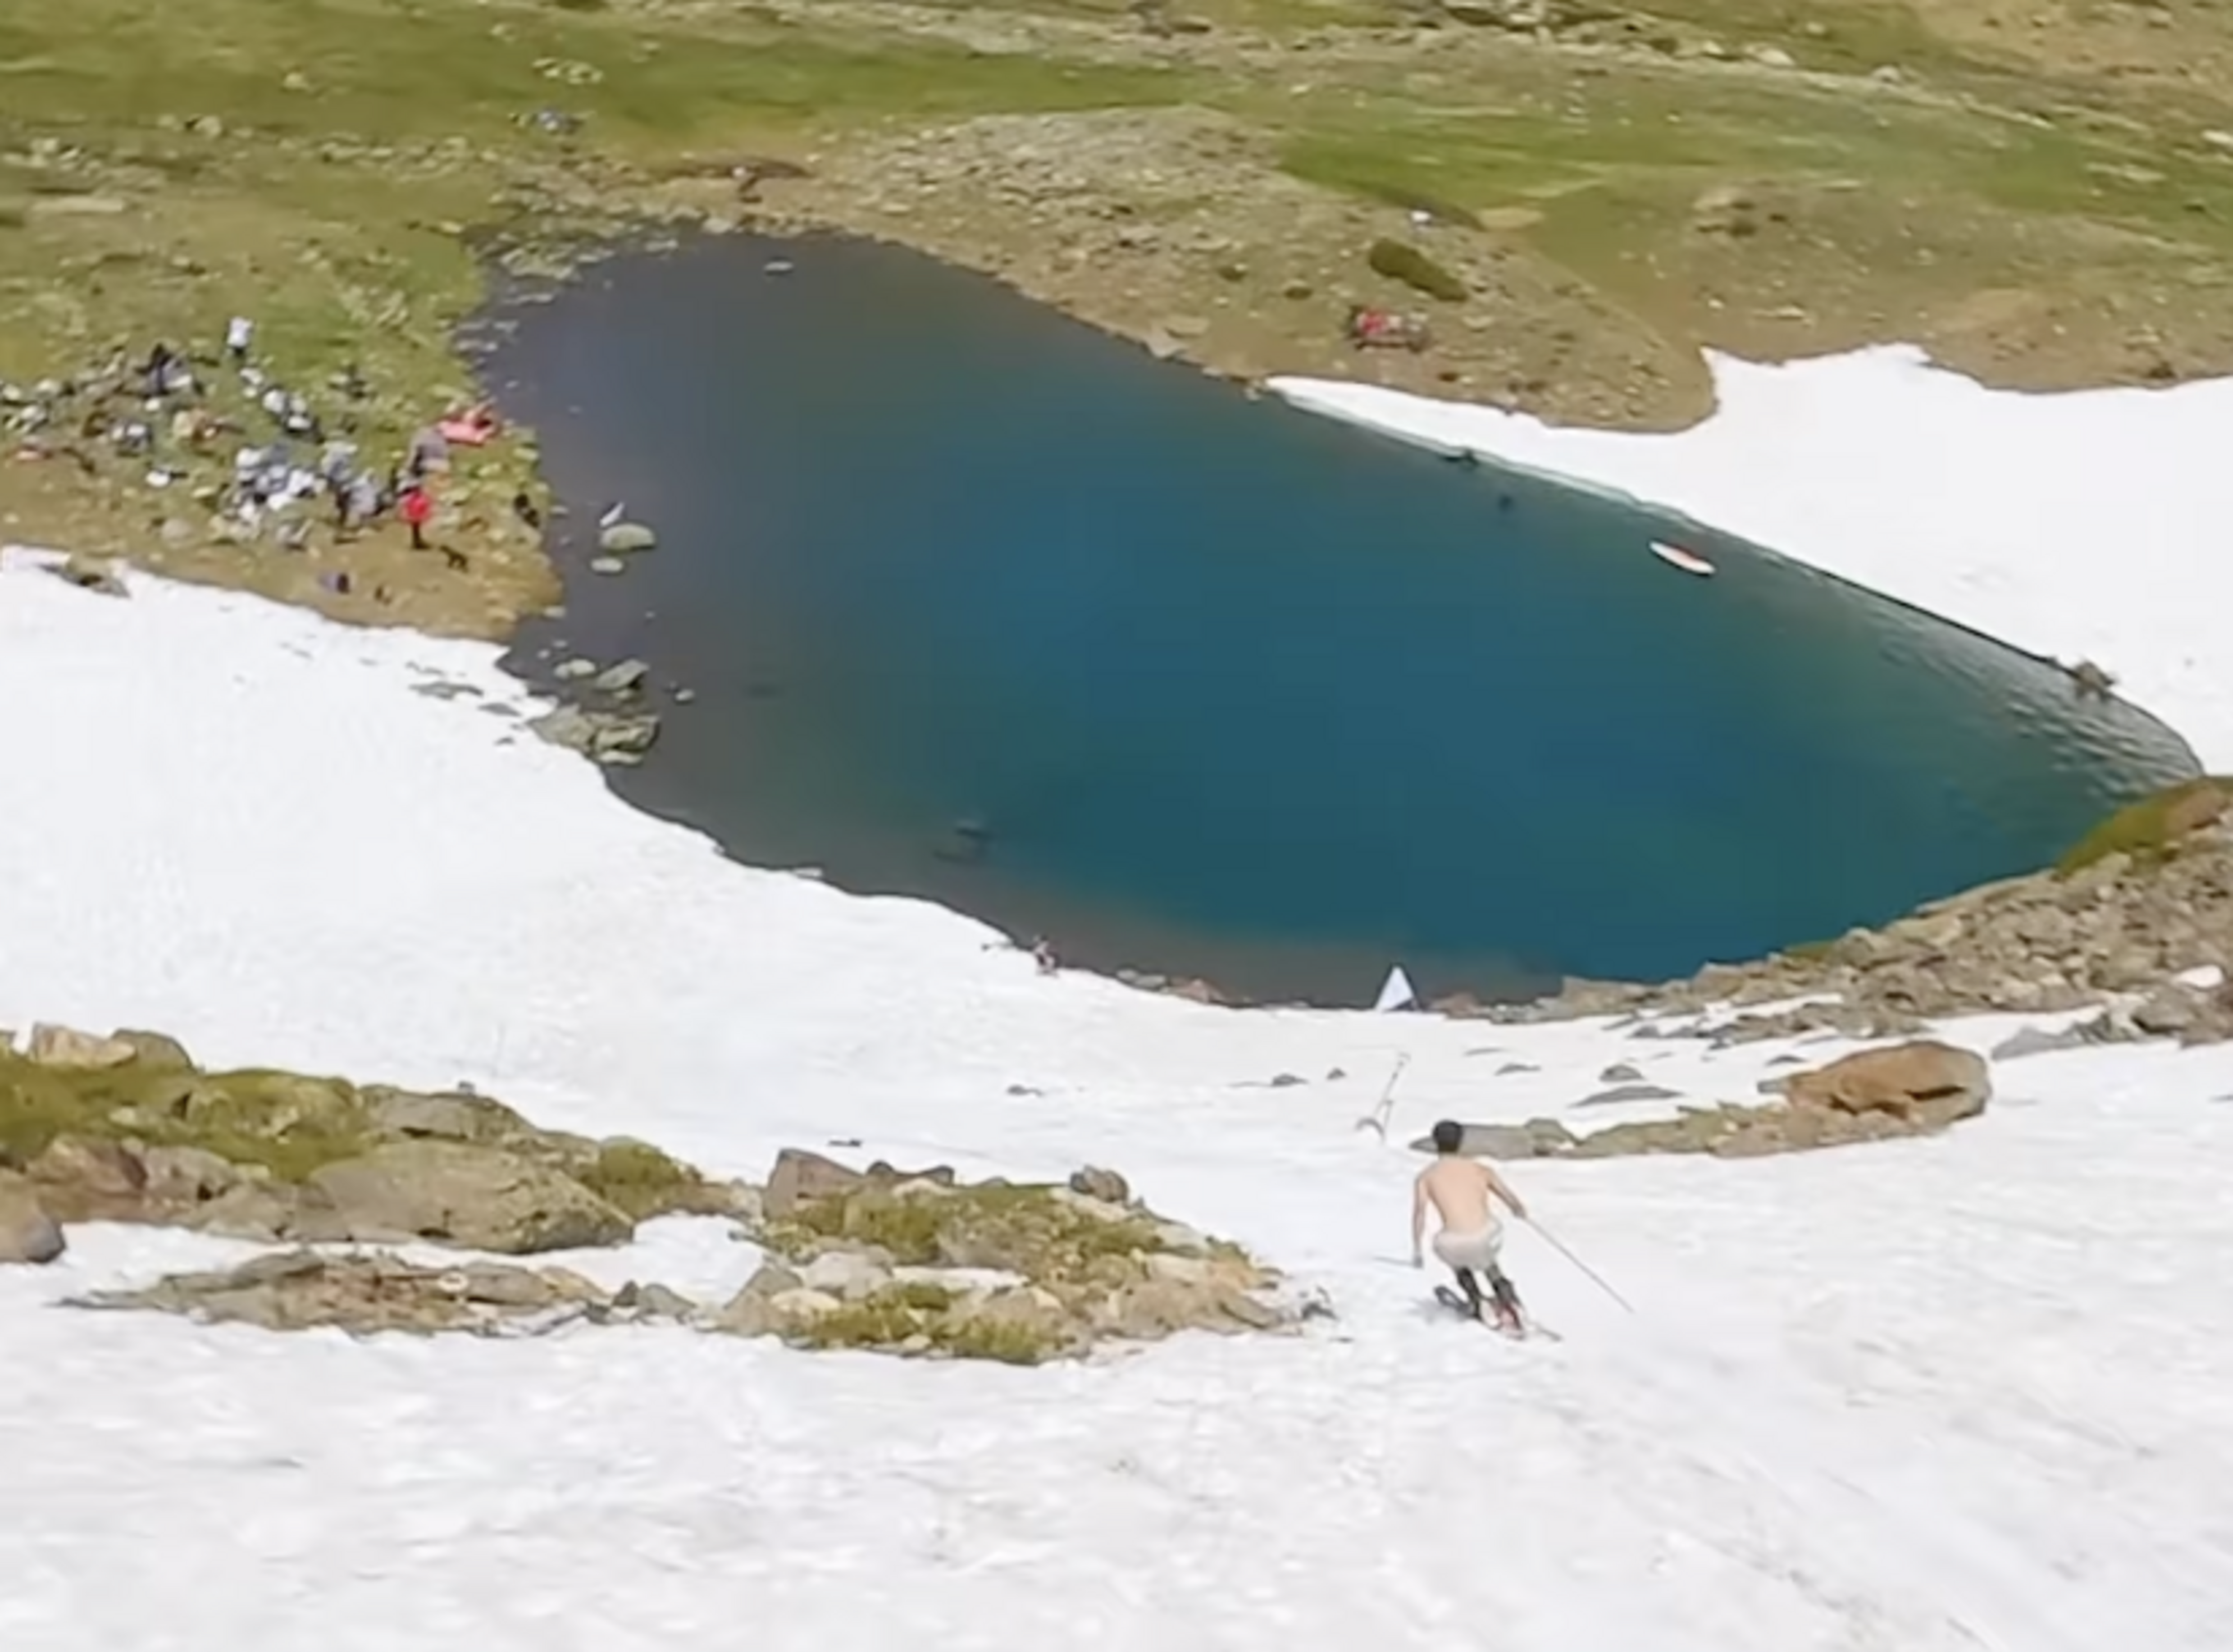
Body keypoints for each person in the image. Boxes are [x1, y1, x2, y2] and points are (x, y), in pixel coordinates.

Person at [1412, 1118, 1530, 1333]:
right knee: (1488, 1259)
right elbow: (1509, 1198)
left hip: (1453, 1243)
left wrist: (1417, 1248)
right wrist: (1518, 1209)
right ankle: (1508, 1298)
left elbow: (1420, 1213)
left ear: (1436, 1142)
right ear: (1461, 1142)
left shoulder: (1426, 1177)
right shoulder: (1480, 1169)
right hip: (1486, 1236)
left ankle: (1478, 1300)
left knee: (1456, 1257)